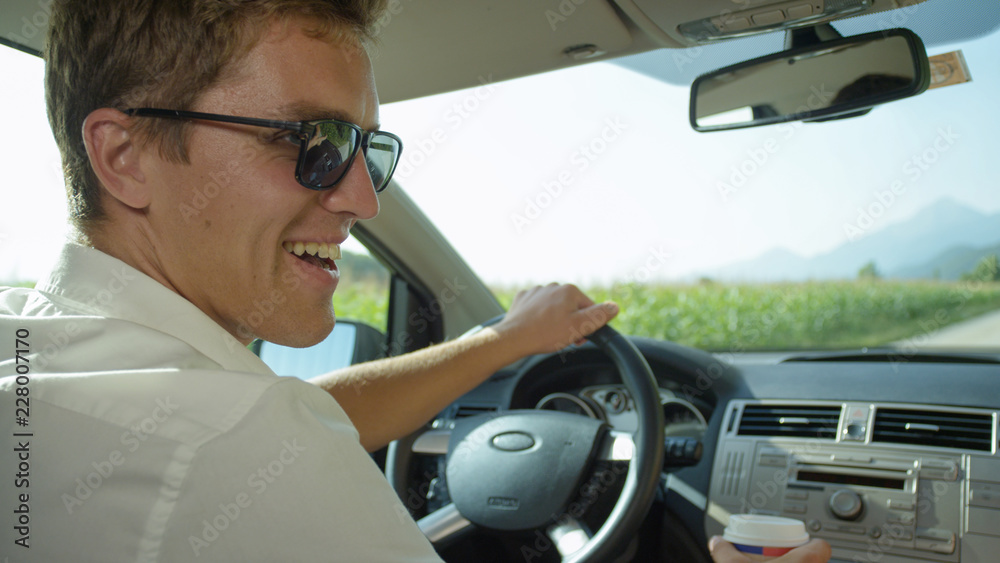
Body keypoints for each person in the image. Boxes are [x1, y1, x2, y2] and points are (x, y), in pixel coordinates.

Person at [0, 1, 830, 561]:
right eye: (313, 139)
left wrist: (502, 343)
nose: (361, 197)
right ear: (124, 156)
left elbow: (304, 412)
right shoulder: (247, 453)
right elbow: (265, 437)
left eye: (371, 149)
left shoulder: (39, 357)